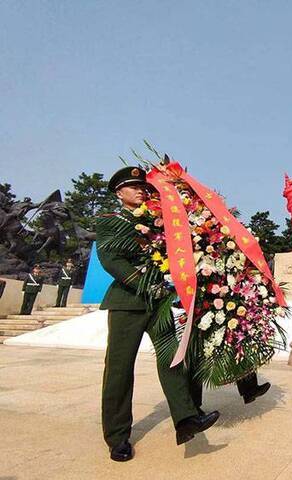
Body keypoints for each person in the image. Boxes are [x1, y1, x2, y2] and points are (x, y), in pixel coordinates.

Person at [97, 166, 219, 462]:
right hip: (128, 301)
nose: (140, 191)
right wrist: (144, 284)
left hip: (159, 302)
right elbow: (111, 258)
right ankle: (117, 437)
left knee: (172, 358)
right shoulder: (110, 221)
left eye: (143, 187)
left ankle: (186, 419)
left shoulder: (156, 220)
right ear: (119, 193)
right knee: (119, 369)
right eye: (133, 187)